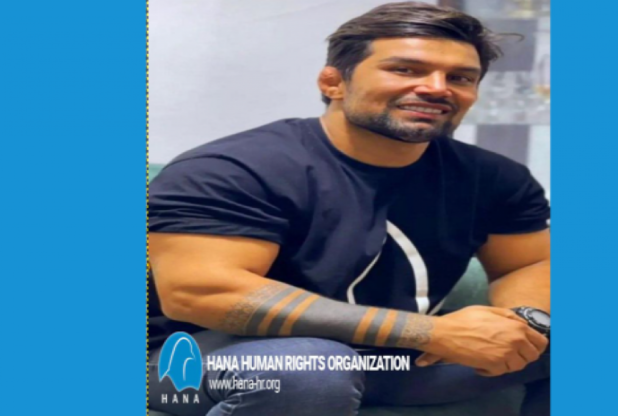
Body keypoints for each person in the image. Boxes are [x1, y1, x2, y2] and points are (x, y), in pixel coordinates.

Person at [147, 2, 551, 416]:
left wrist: (522, 324)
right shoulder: (234, 168)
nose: (436, 88)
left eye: (460, 78)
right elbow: (201, 293)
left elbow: (526, 263)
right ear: (333, 82)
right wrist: (428, 331)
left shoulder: (493, 177)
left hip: (390, 360)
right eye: (405, 69)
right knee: (313, 369)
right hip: (197, 358)